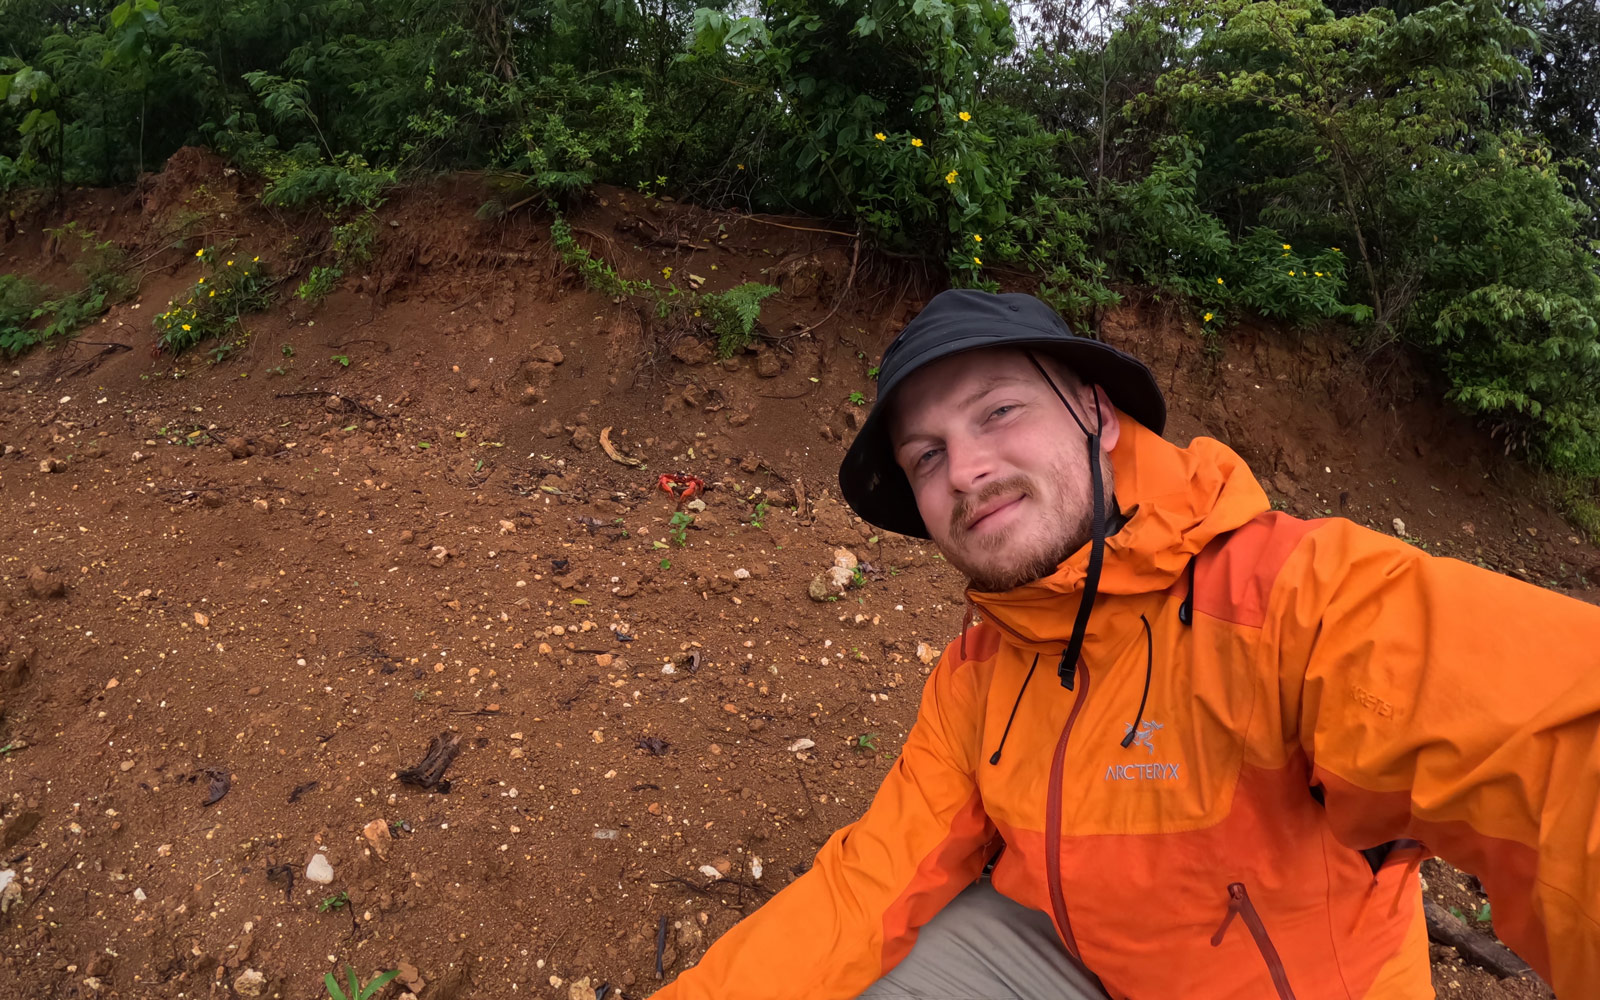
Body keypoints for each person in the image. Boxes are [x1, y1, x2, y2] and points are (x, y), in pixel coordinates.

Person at [648, 290, 1600, 999]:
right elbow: (873, 883)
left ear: (1098, 416)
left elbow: (1551, 752)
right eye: (925, 456)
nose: (967, 470)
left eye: (998, 412)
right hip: (1072, 958)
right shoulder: (981, 667)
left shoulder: (1289, 600)